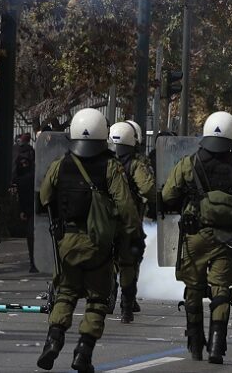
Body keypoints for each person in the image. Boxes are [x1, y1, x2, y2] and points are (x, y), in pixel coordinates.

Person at [36, 108, 138, 373]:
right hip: (98, 244)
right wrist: (132, 236)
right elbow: (126, 206)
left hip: (67, 243)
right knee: (97, 299)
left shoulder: (61, 164)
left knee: (66, 293)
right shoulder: (112, 167)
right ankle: (83, 352)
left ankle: (53, 341)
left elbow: (44, 197)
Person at [160, 111, 232, 364]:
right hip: (227, 238)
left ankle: (195, 345)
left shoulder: (188, 164)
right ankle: (216, 345)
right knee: (221, 290)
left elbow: (167, 195)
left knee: (193, 288)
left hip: (194, 236)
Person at [108, 121, 154, 324]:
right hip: (128, 221)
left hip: (102, 221)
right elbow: (147, 189)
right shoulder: (136, 164)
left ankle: (106, 299)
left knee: (107, 261)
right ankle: (127, 306)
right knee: (129, 262)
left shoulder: (103, 161)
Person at [12, 136, 38, 273]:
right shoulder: (34, 169)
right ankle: (35, 262)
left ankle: (34, 262)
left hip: (29, 206)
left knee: (31, 235)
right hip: (35, 205)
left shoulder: (21, 177)